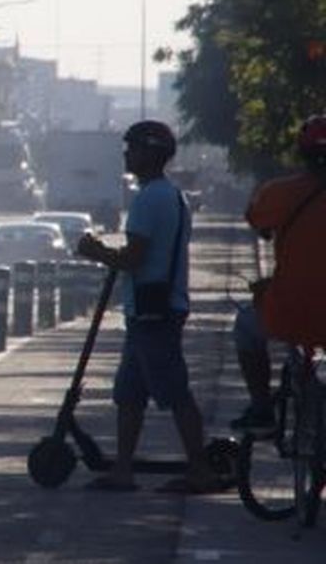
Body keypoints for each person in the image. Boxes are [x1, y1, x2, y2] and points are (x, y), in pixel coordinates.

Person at [74, 120, 224, 493]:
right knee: (129, 393)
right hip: (147, 309)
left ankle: (200, 470)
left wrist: (97, 252)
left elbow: (134, 258)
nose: (127, 154)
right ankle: (123, 469)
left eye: (133, 148)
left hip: (156, 310)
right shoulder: (170, 196)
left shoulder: (149, 199)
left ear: (151, 153)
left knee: (175, 391)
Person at [232, 114, 326, 429]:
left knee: (245, 327)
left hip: (290, 311)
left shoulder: (279, 193)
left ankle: (261, 409)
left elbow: (256, 219)